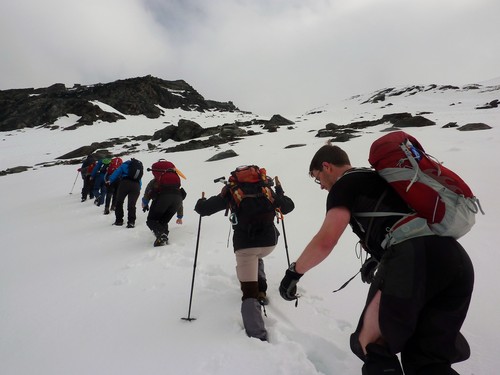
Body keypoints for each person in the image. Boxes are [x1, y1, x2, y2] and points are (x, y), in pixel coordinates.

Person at [278, 143, 474, 374]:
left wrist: (294, 273)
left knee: (371, 344)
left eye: (317, 178)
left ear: (326, 166)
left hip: (411, 256)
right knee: (427, 357)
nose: (320, 186)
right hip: (454, 259)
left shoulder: (344, 185)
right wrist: (380, 257)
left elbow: (325, 241)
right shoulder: (382, 179)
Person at [195, 167, 295, 341]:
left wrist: (202, 201)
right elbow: (288, 206)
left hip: (245, 246)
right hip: (269, 243)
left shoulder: (232, 191)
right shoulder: (266, 189)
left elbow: (202, 210)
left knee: (248, 291)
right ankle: (261, 291)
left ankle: (257, 335)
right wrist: (279, 191)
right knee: (257, 257)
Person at [141, 177, 185, 247]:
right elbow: (177, 196)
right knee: (163, 221)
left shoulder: (156, 180)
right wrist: (180, 216)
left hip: (163, 199)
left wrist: (145, 202)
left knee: (151, 220)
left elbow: (148, 191)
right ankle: (163, 238)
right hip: (178, 201)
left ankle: (161, 235)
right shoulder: (175, 184)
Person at [106, 158, 143, 228]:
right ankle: (131, 222)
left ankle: (119, 220)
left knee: (119, 202)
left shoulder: (124, 165)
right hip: (136, 186)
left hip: (125, 184)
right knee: (132, 204)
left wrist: (110, 180)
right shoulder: (137, 168)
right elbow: (139, 179)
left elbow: (116, 172)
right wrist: (139, 187)